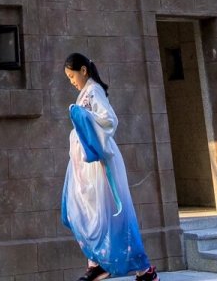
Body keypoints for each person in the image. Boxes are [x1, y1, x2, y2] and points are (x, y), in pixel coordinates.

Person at [62, 52, 158, 281]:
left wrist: (83, 117)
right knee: (88, 212)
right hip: (87, 167)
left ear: (83, 70)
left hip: (100, 165)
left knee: (112, 216)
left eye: (72, 76)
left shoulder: (93, 91)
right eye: (68, 78)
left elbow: (110, 120)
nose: (71, 81)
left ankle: (144, 270)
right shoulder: (85, 93)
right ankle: (96, 263)